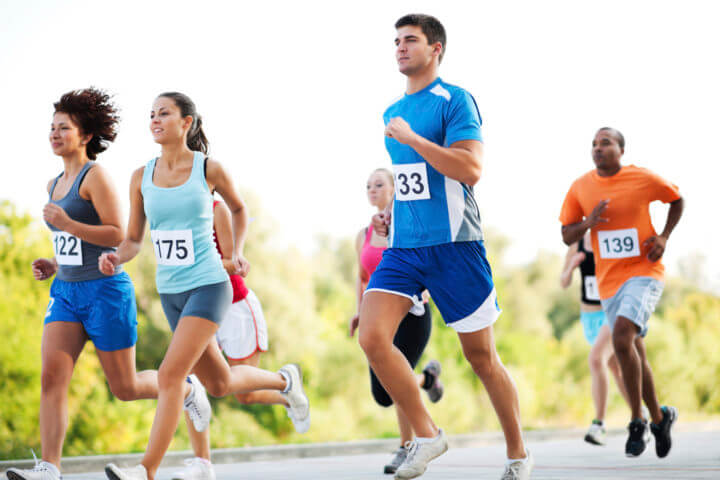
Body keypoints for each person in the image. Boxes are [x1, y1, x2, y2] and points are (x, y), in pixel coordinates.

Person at [99, 92, 309, 480]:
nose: (155, 120)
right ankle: (286, 381)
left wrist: (239, 249)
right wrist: (116, 256)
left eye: (165, 113)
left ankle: (146, 470)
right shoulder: (140, 177)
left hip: (210, 285)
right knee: (220, 382)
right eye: (151, 115)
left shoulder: (208, 169)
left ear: (187, 123)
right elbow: (133, 239)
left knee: (169, 375)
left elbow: (240, 208)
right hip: (171, 293)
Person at [359, 14, 532, 480]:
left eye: (410, 40)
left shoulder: (454, 101)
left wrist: (414, 139)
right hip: (404, 249)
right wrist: (391, 211)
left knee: (481, 359)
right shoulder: (391, 111)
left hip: (456, 246)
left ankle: (518, 454)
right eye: (395, 41)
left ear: (435, 48)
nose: (399, 47)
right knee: (372, 337)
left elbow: (469, 169)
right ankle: (427, 434)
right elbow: (413, 182)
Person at [4, 88, 210, 480]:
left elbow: (117, 234)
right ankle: (49, 467)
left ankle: (186, 389)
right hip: (65, 292)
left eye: (64, 127)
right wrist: (53, 260)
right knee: (52, 376)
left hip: (105, 291)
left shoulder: (95, 176)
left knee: (126, 387)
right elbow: (74, 243)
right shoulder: (53, 184)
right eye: (52, 127)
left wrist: (67, 224)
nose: (54, 133)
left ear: (84, 136)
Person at [559, 127, 683, 458]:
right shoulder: (581, 187)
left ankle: (636, 422)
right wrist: (590, 222)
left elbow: (676, 199)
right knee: (633, 350)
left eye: (606, 143)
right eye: (594, 144)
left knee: (622, 335)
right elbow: (566, 234)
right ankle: (660, 418)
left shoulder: (641, 178)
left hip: (645, 271)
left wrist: (664, 237)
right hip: (609, 281)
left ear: (621, 150)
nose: (598, 149)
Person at [172, 199, 310, 480]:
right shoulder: (173, 209)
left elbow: (233, 264)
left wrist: (192, 264)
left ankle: (286, 384)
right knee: (189, 379)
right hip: (198, 307)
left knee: (244, 395)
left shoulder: (216, 209)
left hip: (235, 307)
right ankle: (202, 464)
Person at [350, 168, 444, 475]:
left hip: (412, 312)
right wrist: (358, 311)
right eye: (368, 185)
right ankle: (427, 380)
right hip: (378, 316)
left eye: (379, 184)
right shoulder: (363, 235)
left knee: (396, 382)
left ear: (395, 188)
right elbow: (362, 277)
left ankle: (408, 447)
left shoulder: (406, 222)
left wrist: (429, 286)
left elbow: (426, 255)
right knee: (382, 393)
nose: (372, 189)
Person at [561, 231, 639, 445]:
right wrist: (572, 266)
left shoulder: (611, 241)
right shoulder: (577, 245)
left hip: (611, 312)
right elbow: (563, 282)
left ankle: (599, 424)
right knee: (616, 369)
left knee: (596, 359)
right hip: (589, 317)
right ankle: (641, 416)